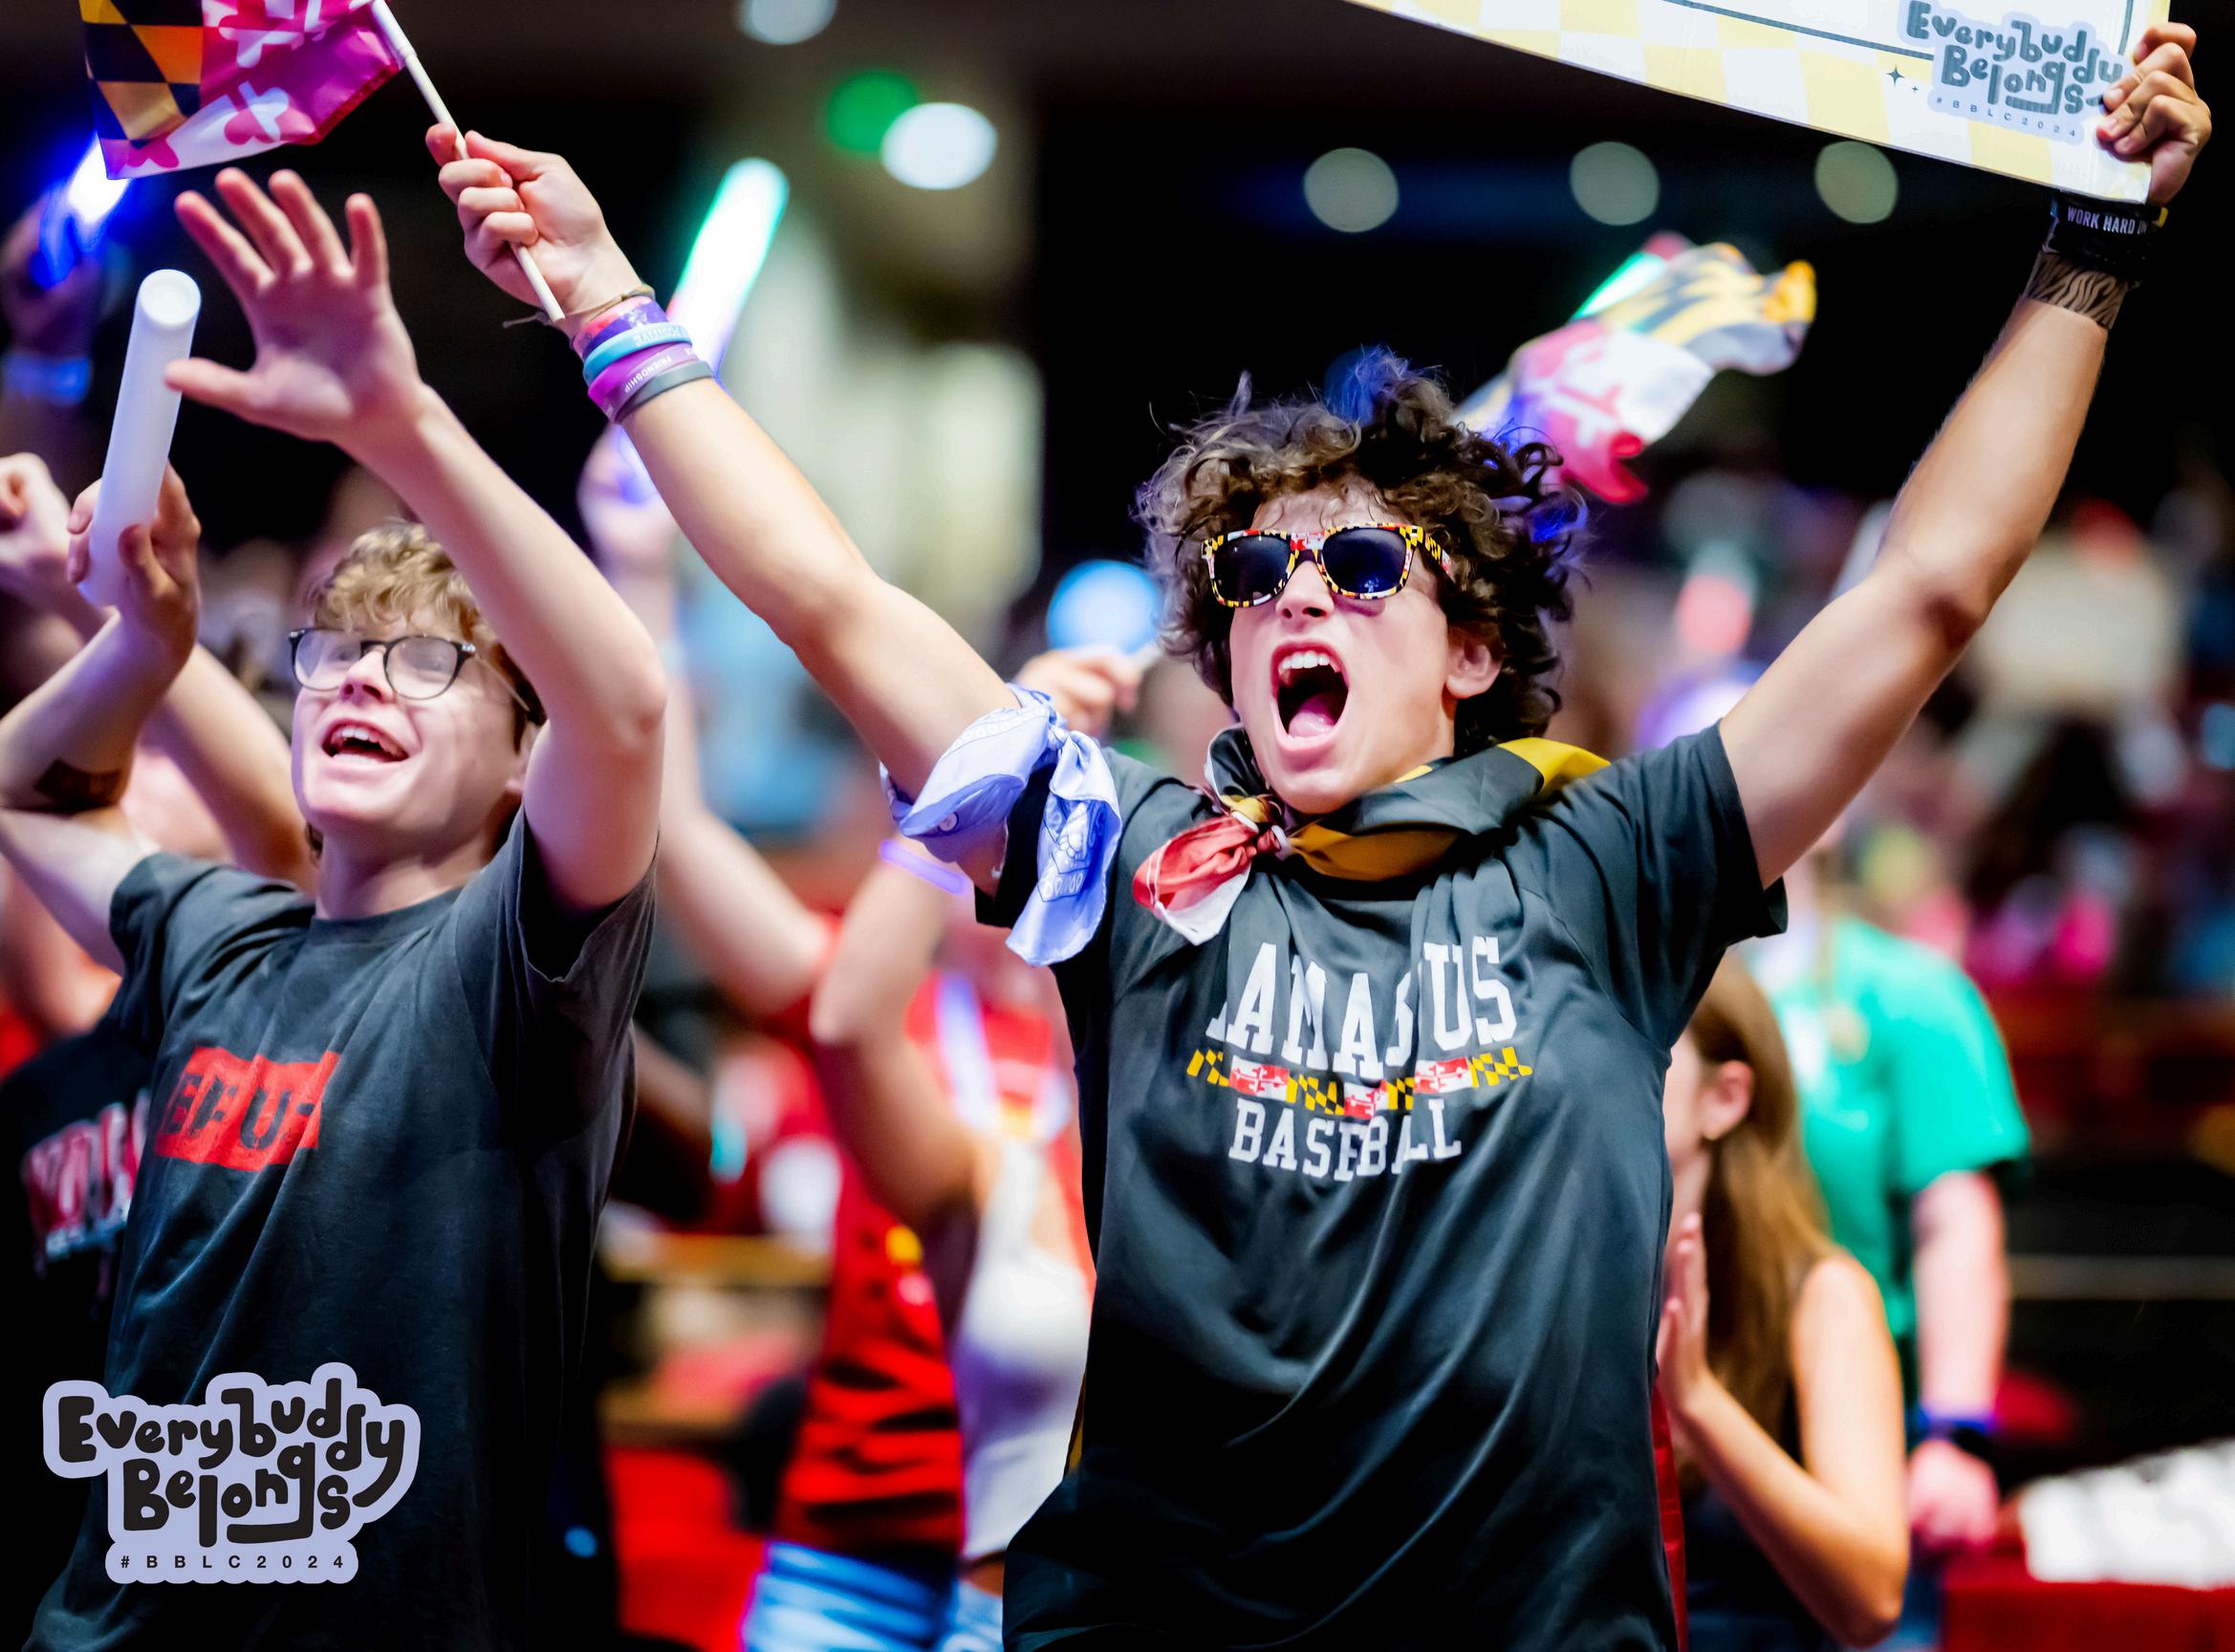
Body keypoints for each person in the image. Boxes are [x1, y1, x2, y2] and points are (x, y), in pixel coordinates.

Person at [430, 33, 2208, 1645]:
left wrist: (2092, 246)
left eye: (1360, 566)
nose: (1294, 594)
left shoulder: (1609, 863)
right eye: (1251, 572)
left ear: (1469, 652)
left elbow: (1925, 587)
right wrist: (604, 301)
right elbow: (829, 601)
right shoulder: (1124, 858)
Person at [2, 169, 662, 1649]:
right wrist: (142, 646)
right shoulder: (222, 939)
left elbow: (621, 709)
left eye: (426, 663)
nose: (363, 676)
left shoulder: (517, 971)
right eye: (340, 654)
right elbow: (29, 796)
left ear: (523, 758)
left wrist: (394, 421)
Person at [578, 436, 1115, 1652]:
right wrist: (638, 565)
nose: (987, 844)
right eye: (960, 806)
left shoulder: (1125, 1031)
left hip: (1042, 1562)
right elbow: (679, 833)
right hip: (849, 1544)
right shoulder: (878, 1004)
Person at [0, 449, 314, 1642]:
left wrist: (131, 619)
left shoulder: (299, 1011)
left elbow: (279, 835)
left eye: (170, 753)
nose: (131, 771)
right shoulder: (42, 1094)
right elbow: (33, 805)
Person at [1752, 845, 2030, 1643]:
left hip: (1869, 1433)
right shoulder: (1639, 980)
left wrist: (1954, 1434)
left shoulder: (1913, 996)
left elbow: (1956, 1227)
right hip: (1675, 1434)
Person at [1657, 957, 1908, 1650]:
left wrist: (1698, 1402)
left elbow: (1874, 1599)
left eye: (1646, 1053)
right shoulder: (1567, 1279)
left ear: (1725, 1098)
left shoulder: (1823, 1296)